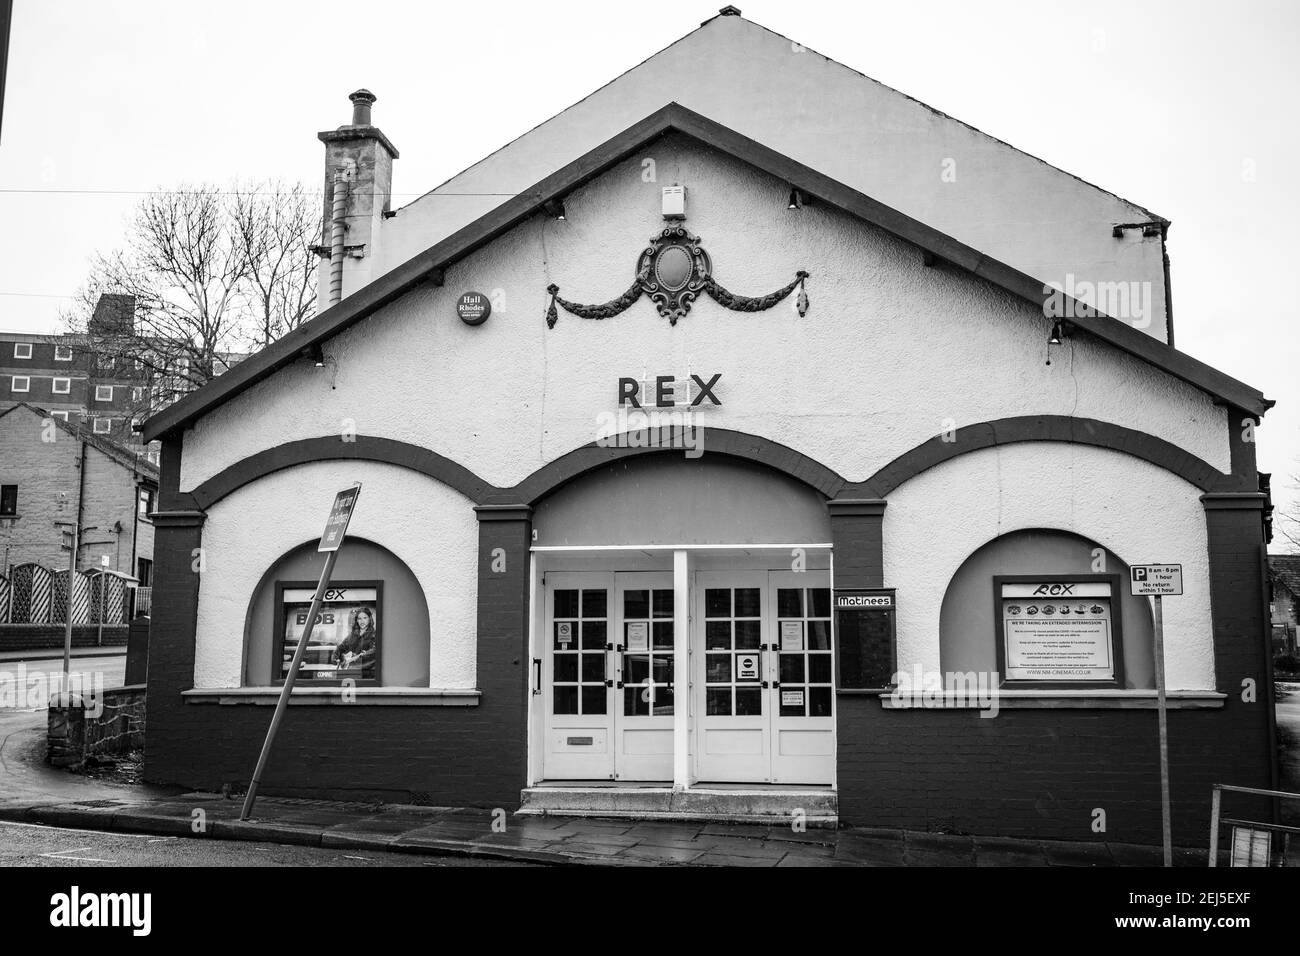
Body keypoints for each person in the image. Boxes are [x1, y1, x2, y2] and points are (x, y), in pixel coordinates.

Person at [333, 607, 377, 677]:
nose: (362, 621)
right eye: (359, 619)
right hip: (352, 671)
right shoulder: (353, 634)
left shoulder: (374, 634)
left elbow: (374, 650)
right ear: (357, 620)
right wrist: (337, 657)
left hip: (367, 673)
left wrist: (358, 656)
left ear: (369, 619)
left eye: (365, 618)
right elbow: (341, 647)